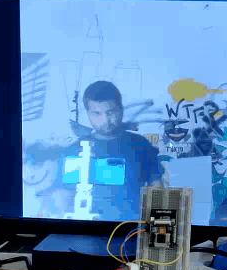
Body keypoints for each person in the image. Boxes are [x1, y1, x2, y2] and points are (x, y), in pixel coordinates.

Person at [50, 81, 163, 220]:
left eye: (111, 112)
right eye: (97, 113)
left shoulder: (141, 145)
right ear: (88, 113)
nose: (105, 120)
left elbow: (156, 188)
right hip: (84, 229)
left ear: (121, 110)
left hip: (130, 228)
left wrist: (155, 225)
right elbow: (62, 195)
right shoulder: (73, 150)